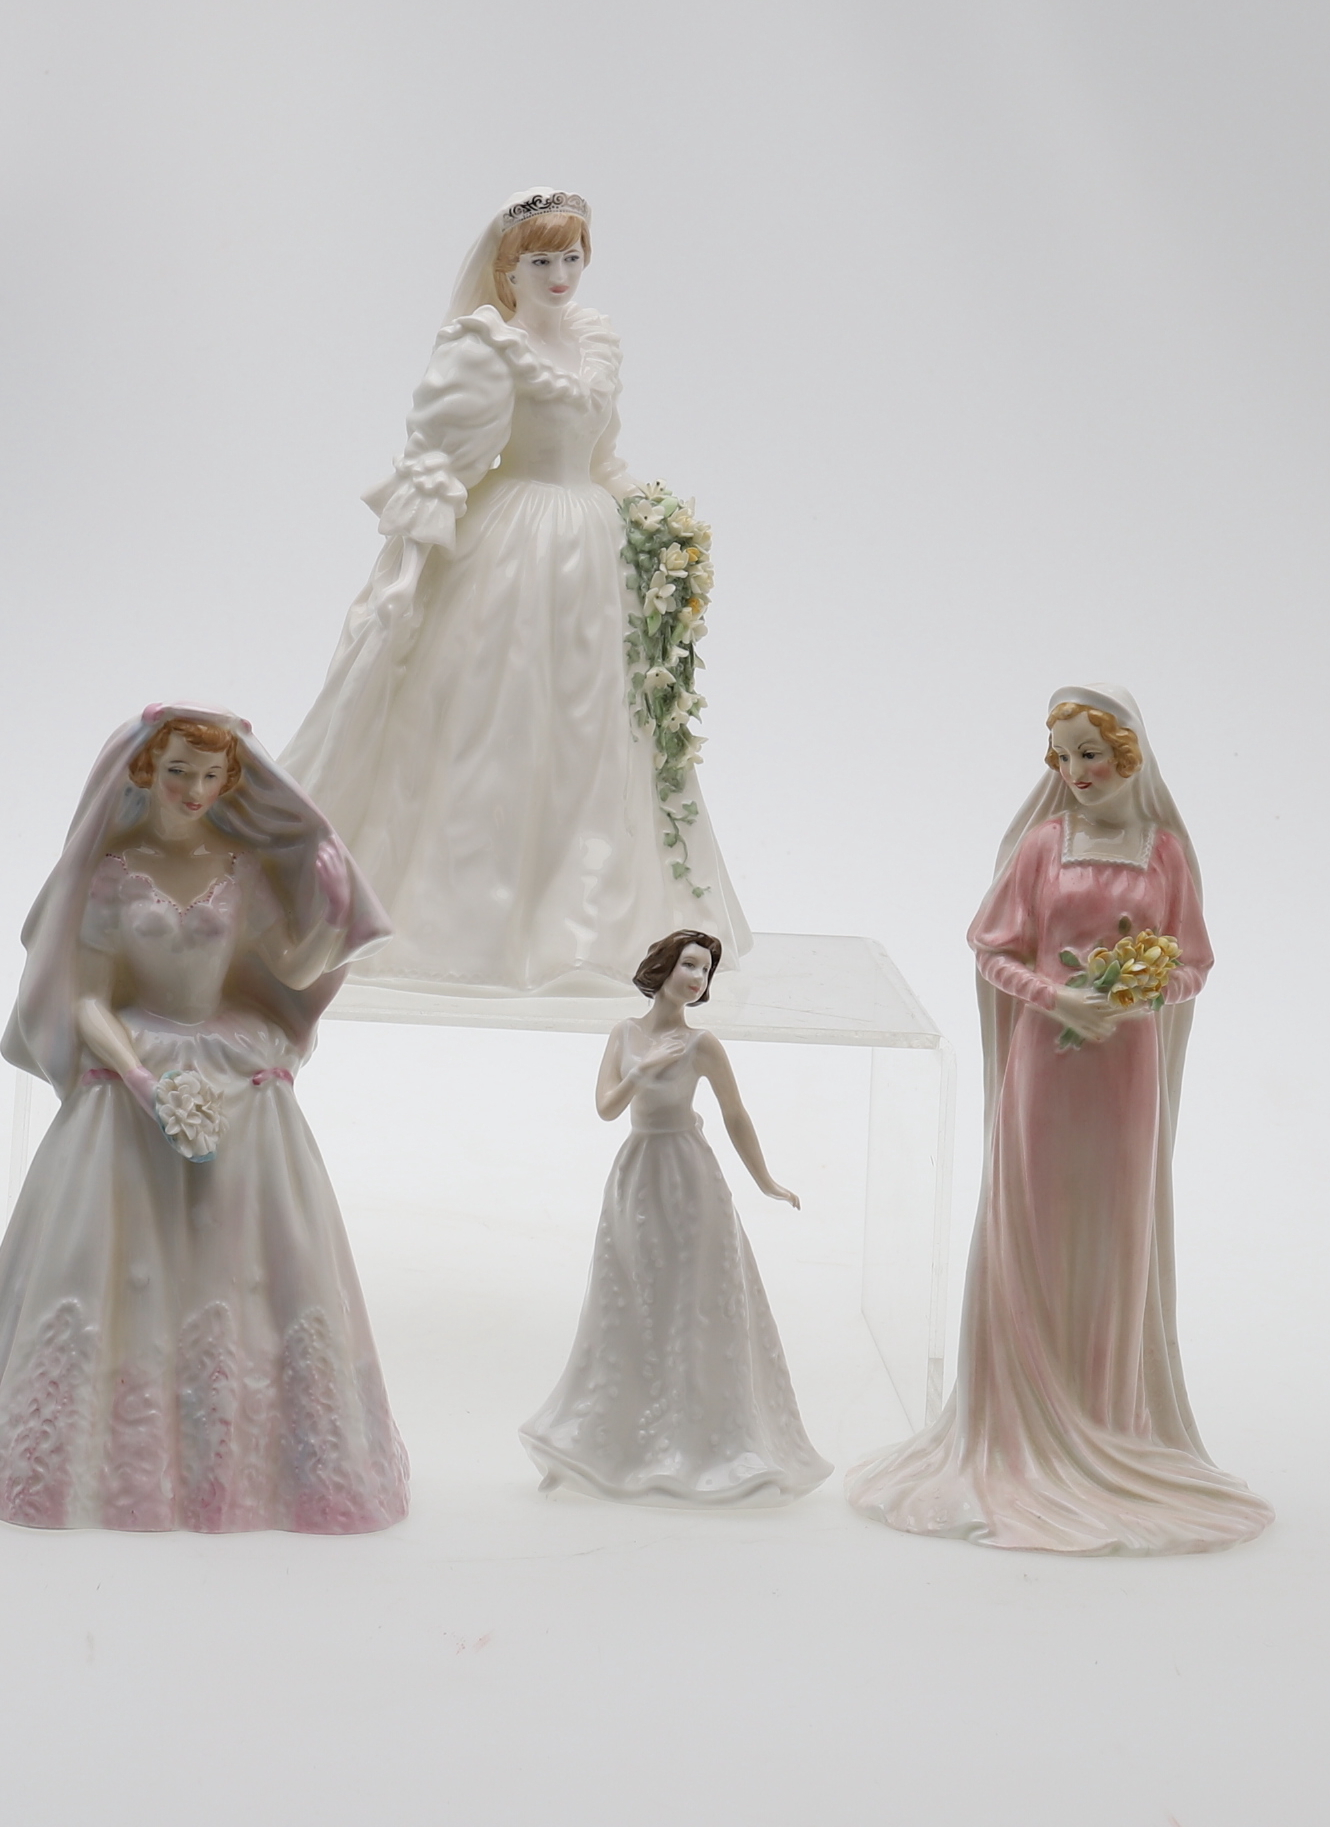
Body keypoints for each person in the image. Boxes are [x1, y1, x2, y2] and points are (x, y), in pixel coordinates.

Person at [0, 706, 410, 1533]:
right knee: (98, 1251)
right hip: (134, 1067)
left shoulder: (241, 871)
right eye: (178, 772)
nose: (194, 791)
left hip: (233, 1067)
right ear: (146, 771)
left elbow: (291, 968)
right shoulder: (112, 874)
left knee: (250, 1250)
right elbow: (89, 1000)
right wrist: (139, 1082)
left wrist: (334, 915)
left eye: (210, 776)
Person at [282, 187, 747, 995]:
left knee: (595, 725)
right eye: (540, 261)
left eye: (572, 257)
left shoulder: (594, 340)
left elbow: (601, 455)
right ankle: (479, 912)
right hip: (516, 542)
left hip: (595, 549)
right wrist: (405, 572)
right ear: (508, 268)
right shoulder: (488, 348)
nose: (560, 275)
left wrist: (655, 520)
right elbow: (441, 465)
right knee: (501, 712)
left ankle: (588, 916)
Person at [846, 685, 1272, 1553]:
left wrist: (1145, 990)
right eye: (1064, 754)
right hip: (1047, 1063)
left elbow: (1195, 962)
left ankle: (1105, 1416)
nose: (1076, 770)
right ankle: (1022, 1420)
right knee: (1036, 1220)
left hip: (1126, 1071)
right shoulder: (1044, 845)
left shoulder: (1164, 855)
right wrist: (1058, 998)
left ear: (1128, 755)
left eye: (1091, 752)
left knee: (1115, 1227)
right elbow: (992, 948)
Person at [520, 931, 829, 1506]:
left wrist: (765, 1180)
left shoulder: (702, 1044)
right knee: (628, 1300)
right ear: (664, 967)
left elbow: (735, 1114)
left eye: (705, 972)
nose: (697, 979)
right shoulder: (624, 1034)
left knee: (694, 1302)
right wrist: (642, 1071)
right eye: (690, 965)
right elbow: (606, 1108)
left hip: (690, 1179)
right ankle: (598, 1445)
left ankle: (704, 1445)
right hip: (638, 1174)